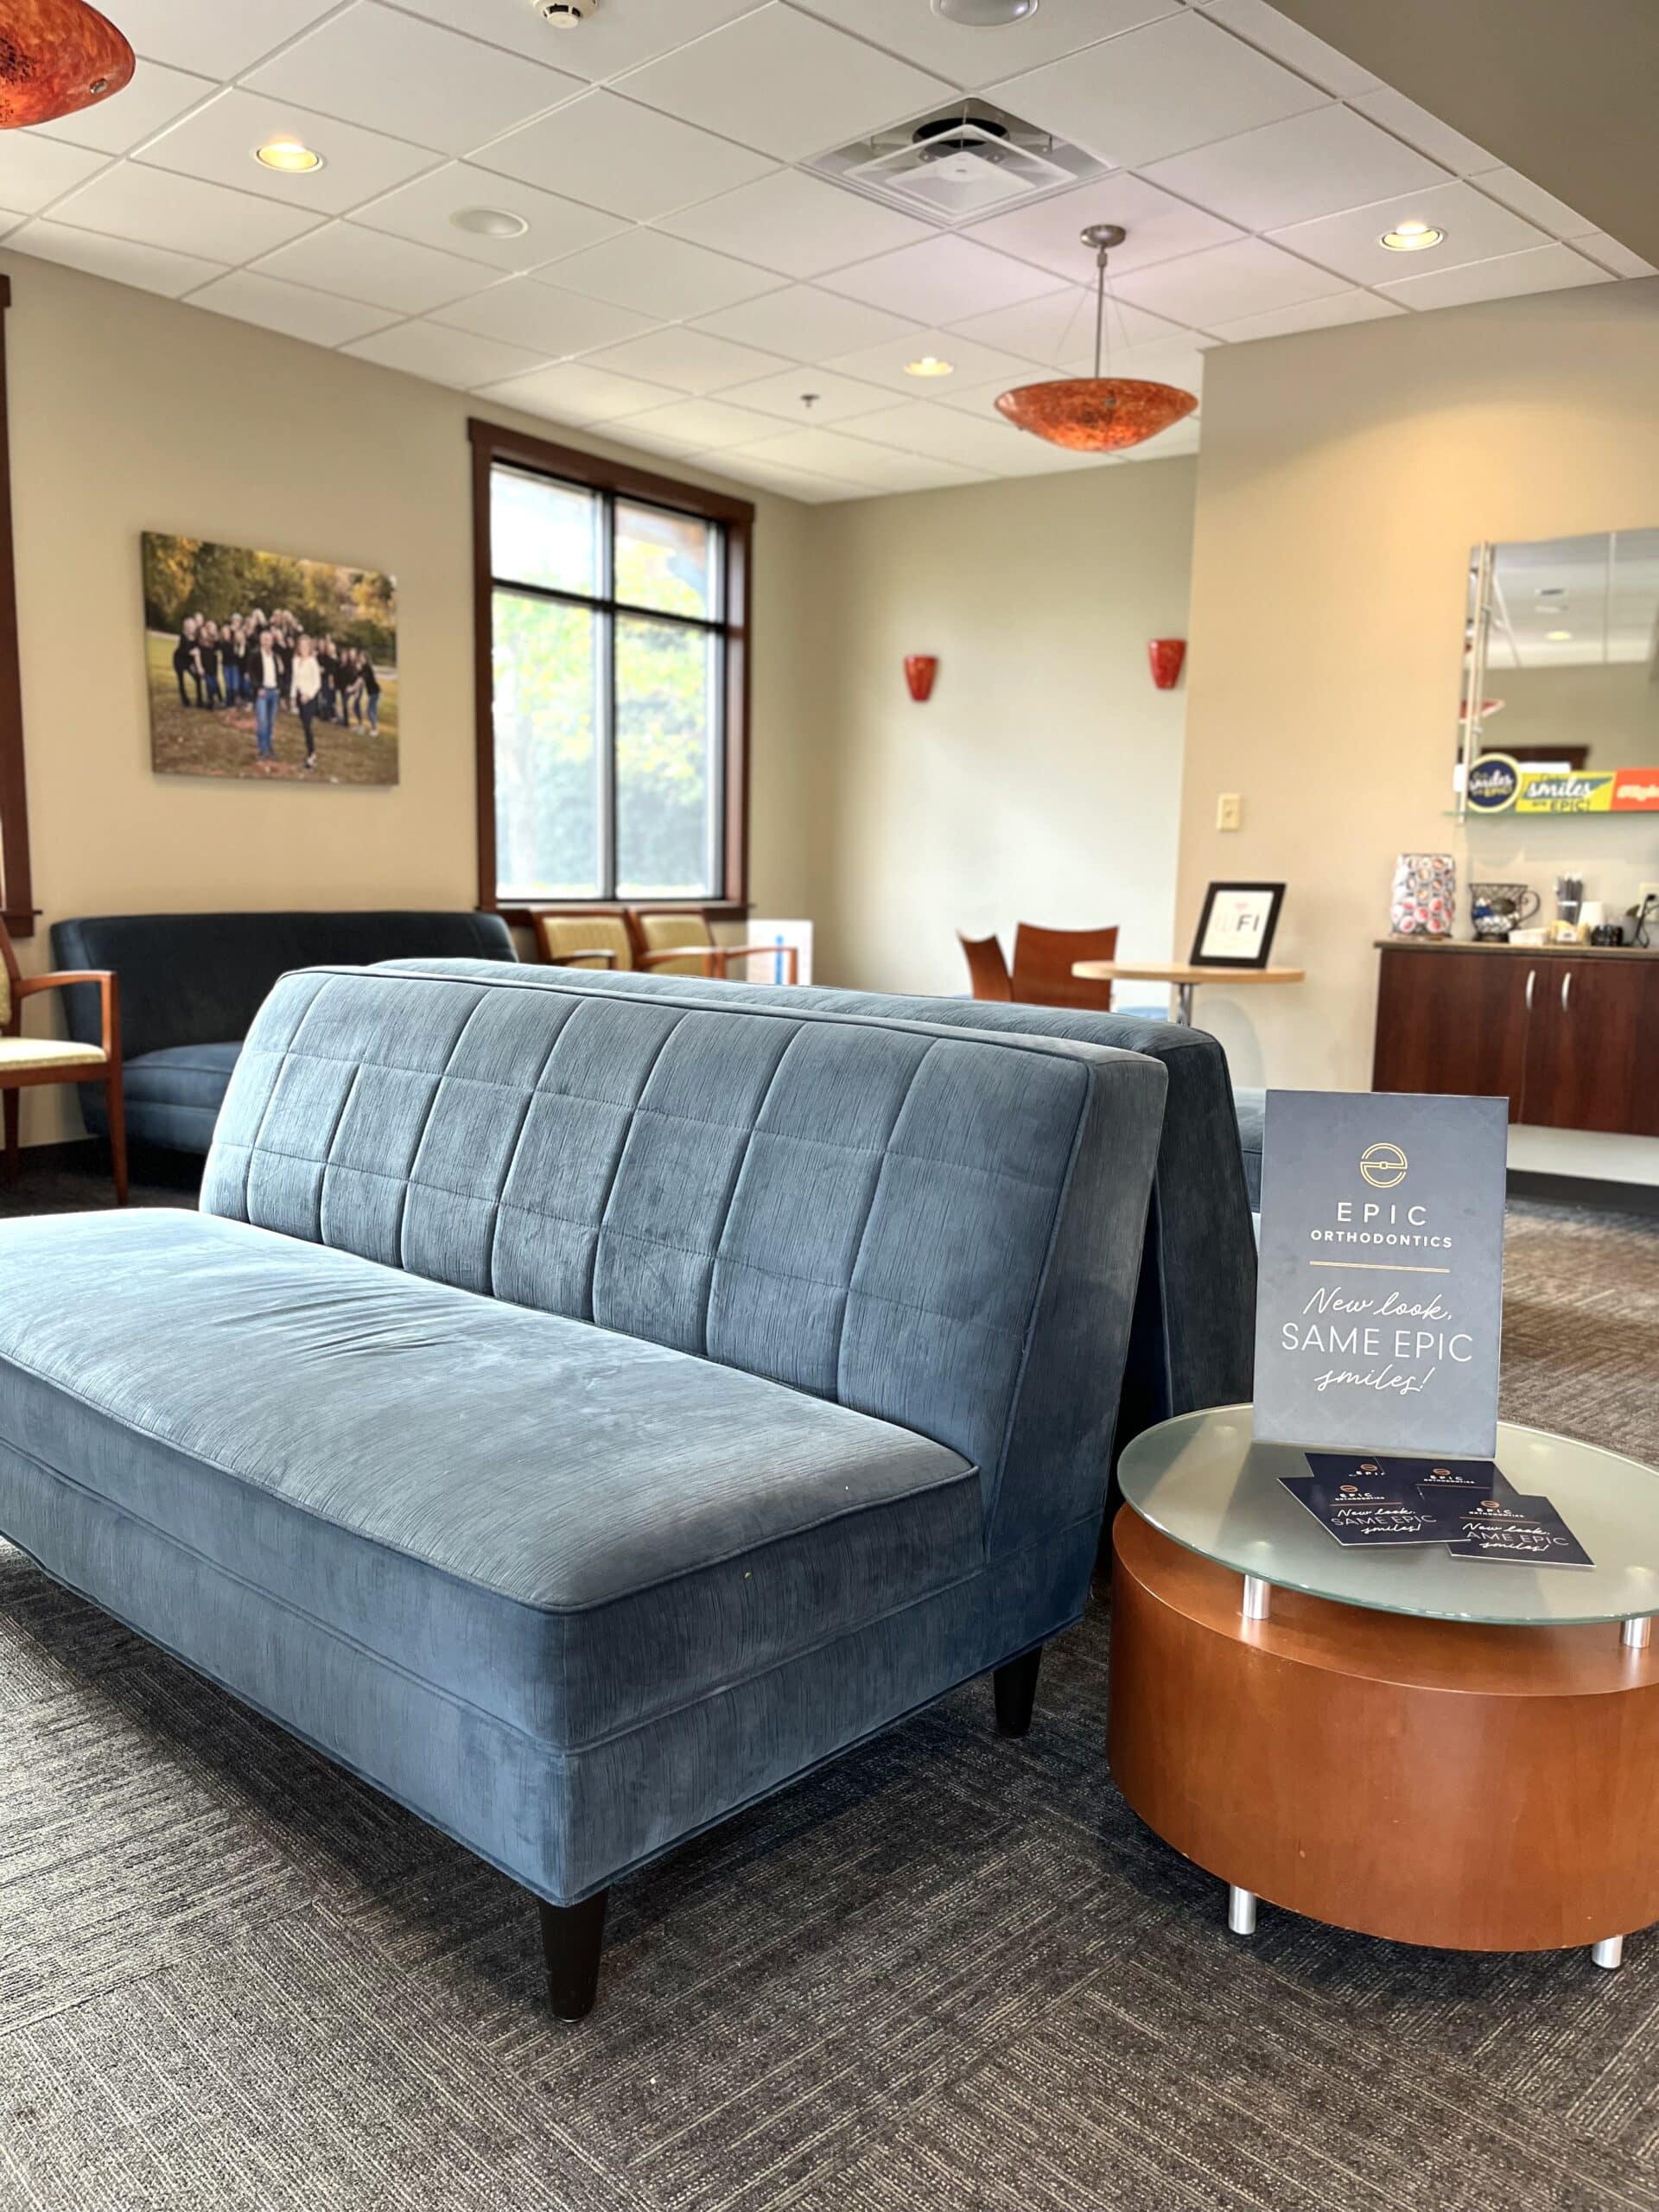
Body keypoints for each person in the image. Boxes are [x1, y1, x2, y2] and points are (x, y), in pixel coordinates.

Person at [245, 626, 283, 765]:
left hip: (274, 692)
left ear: (272, 641)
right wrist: (258, 687)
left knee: (271, 722)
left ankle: (269, 747)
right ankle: (262, 749)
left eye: (269, 639)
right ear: (261, 641)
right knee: (262, 722)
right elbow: (251, 673)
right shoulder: (255, 654)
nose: (267, 642)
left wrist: (279, 688)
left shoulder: (275, 656)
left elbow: (280, 673)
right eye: (264, 639)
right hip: (262, 692)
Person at [290, 634, 323, 771]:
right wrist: (292, 696)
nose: (303, 648)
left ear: (309, 647)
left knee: (307, 727)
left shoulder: (312, 662)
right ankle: (310, 752)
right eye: (301, 645)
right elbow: (294, 679)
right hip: (299, 696)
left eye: (306, 645)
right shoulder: (296, 660)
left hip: (310, 697)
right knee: (304, 726)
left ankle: (312, 755)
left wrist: (308, 695)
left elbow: (317, 683)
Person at [172, 615, 203, 709]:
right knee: (181, 681)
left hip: (189, 662)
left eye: (192, 626)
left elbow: (197, 651)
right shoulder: (183, 636)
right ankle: (185, 701)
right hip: (179, 660)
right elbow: (182, 650)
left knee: (197, 678)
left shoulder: (196, 637)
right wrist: (191, 652)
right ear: (185, 626)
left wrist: (195, 664)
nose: (190, 628)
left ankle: (200, 700)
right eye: (188, 626)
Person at [357, 647, 382, 736]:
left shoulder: (367, 667)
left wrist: (354, 687)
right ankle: (374, 728)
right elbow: (359, 676)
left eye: (362, 657)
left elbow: (362, 679)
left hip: (374, 692)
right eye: (360, 657)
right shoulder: (364, 667)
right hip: (372, 692)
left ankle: (375, 730)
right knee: (372, 711)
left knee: (370, 711)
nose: (360, 658)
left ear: (365, 658)